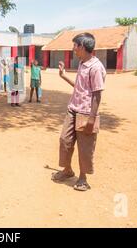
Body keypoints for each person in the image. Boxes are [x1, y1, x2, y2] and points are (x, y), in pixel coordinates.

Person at [51, 33, 106, 192]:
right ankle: (67, 170)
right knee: (65, 140)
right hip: (73, 109)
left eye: (74, 45)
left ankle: (83, 178)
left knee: (85, 147)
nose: (73, 49)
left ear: (82, 46)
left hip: (86, 113)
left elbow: (97, 94)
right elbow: (79, 87)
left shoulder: (96, 67)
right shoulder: (83, 63)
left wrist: (91, 118)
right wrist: (63, 76)